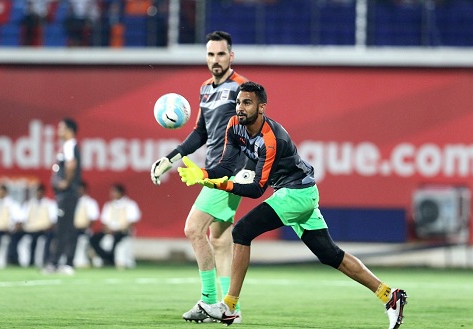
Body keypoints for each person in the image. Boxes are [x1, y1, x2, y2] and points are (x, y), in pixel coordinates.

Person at [178, 81, 408, 329]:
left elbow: (256, 189)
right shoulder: (234, 125)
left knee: (242, 231)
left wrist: (216, 185)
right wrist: (203, 173)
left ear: (262, 107)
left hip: (297, 193)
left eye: (247, 102)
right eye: (238, 102)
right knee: (331, 255)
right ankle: (389, 295)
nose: (240, 107)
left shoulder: (271, 138)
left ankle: (229, 306)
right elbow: (225, 167)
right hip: (295, 193)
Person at [150, 30, 249, 323]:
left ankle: (208, 301)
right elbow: (201, 133)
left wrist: (250, 167)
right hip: (214, 172)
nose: (215, 60)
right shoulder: (205, 89)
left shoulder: (242, 89)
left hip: (230, 172)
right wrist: (170, 158)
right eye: (210, 54)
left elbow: (256, 128)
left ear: (231, 56)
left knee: (193, 229)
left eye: (221, 54)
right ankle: (230, 308)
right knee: (218, 239)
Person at [43, 117, 82, 275]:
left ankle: (56, 263)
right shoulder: (69, 146)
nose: (58, 131)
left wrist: (65, 182)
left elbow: (71, 164)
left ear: (69, 130)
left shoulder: (69, 145)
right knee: (67, 227)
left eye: (61, 128)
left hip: (67, 194)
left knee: (62, 228)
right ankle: (66, 263)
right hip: (68, 195)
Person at [89, 183, 140, 267]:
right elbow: (104, 221)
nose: (112, 194)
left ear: (120, 193)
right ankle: (106, 257)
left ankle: (112, 259)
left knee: (116, 239)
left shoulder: (130, 204)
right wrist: (107, 229)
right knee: (93, 239)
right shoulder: (109, 205)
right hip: (109, 230)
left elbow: (132, 221)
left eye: (114, 192)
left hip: (122, 231)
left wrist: (119, 229)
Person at [8, 183, 57, 267]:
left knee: (49, 235)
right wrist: (19, 226)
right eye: (37, 192)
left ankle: (46, 260)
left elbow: (53, 221)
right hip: (30, 229)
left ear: (44, 193)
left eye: (41, 192)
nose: (39, 194)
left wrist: (47, 227)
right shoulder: (29, 204)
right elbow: (22, 219)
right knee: (14, 235)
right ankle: (14, 260)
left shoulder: (50, 204)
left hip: (43, 229)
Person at [73, 180, 100, 267]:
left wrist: (83, 227)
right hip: (73, 229)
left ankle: (82, 261)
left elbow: (92, 219)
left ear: (85, 190)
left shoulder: (90, 203)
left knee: (81, 239)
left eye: (80, 189)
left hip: (84, 230)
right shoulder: (72, 202)